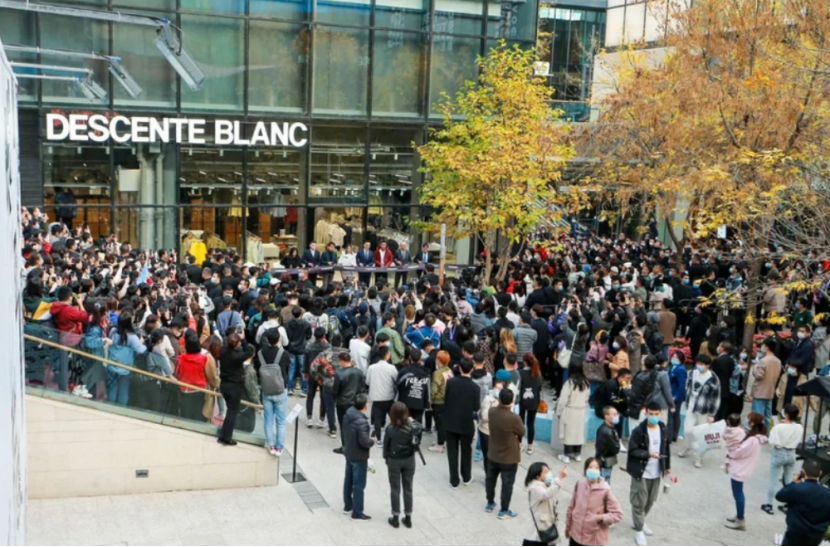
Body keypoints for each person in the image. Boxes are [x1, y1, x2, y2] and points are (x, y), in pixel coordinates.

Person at [627, 403, 671, 547]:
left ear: (660, 414)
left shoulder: (663, 428)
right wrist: (648, 454)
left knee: (650, 500)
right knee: (639, 501)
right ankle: (639, 531)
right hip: (641, 472)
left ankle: (640, 521)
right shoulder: (638, 431)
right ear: (646, 414)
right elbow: (632, 450)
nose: (653, 417)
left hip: (656, 472)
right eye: (651, 414)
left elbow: (666, 448)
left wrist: (667, 467)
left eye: (656, 414)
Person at [485, 388, 525, 519]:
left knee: (490, 479)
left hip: (493, 453)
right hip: (509, 457)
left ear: (499, 399)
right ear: (512, 401)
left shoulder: (492, 412)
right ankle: (504, 510)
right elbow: (522, 432)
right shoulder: (514, 418)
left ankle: (490, 503)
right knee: (507, 483)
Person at [724, 412, 768, 531]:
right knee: (738, 493)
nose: (748, 422)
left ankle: (740, 519)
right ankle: (739, 515)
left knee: (738, 494)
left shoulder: (752, 439)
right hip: (744, 466)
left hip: (740, 467)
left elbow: (740, 451)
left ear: (753, 423)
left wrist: (730, 454)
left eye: (750, 420)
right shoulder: (758, 437)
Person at [565, 458, 624, 546]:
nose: (593, 470)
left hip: (593, 540)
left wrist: (599, 518)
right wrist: (568, 527)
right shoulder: (579, 485)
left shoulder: (605, 490)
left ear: (600, 471)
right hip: (575, 537)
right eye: (590, 467)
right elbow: (571, 508)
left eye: (596, 468)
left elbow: (618, 514)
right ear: (585, 470)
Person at [383, 401, 422, 529]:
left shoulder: (390, 429)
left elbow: (386, 446)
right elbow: (420, 428)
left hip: (394, 460)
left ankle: (395, 517)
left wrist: (386, 458)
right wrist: (412, 420)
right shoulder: (412, 427)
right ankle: (408, 517)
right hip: (409, 459)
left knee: (395, 489)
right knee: (408, 488)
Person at [443, 358, 481, 488]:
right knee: (466, 450)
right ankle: (466, 476)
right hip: (466, 423)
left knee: (452, 452)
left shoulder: (451, 383)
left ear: (459, 368)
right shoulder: (475, 387)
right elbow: (476, 407)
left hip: (451, 421)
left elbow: (446, 400)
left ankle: (454, 480)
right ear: (472, 369)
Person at [678, 354, 721, 468]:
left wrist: (712, 414)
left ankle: (699, 457)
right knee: (687, 430)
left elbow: (715, 398)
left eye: (702, 364)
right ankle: (688, 446)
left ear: (708, 365)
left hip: (704, 410)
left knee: (701, 435)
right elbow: (687, 387)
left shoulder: (713, 379)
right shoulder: (692, 373)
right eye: (698, 363)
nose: (699, 366)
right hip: (691, 407)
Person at [775, 459, 830, 546]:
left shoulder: (797, 488)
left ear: (803, 472)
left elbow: (779, 496)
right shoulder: (827, 493)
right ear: (820, 473)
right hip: (816, 535)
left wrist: (793, 483)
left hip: (796, 532)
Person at [762, 404, 803, 515]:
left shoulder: (778, 427)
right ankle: (787, 505)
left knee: (773, 480)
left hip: (779, 453)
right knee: (789, 481)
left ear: (786, 414)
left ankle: (769, 505)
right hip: (791, 453)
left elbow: (771, 441)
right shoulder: (799, 427)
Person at [257, 329, 291, 457]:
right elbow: (288, 366)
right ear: (279, 339)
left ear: (266, 339)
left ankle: (270, 445)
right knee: (281, 422)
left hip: (266, 391)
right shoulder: (284, 353)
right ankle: (279, 447)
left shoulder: (260, 354)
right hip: (280, 390)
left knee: (268, 421)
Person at [217, 333, 254, 446]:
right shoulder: (237, 357)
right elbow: (249, 352)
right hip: (234, 387)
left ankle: (223, 434)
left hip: (224, 385)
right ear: (237, 344)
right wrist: (244, 339)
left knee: (230, 411)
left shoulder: (222, 351)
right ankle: (227, 437)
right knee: (232, 412)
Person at [342, 393, 375, 521]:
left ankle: (348, 505)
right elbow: (364, 442)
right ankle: (357, 511)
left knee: (348, 480)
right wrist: (372, 440)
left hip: (349, 451)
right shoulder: (362, 422)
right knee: (359, 484)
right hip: (359, 455)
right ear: (364, 407)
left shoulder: (347, 415)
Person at [523, 462, 566, 547]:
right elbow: (546, 494)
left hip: (546, 529)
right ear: (537, 476)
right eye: (546, 472)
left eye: (549, 470)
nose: (549, 473)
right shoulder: (534, 487)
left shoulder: (546, 485)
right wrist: (560, 478)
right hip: (537, 532)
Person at [332, 352, 366, 454]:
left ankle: (345, 446)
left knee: (343, 426)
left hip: (343, 403)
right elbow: (362, 387)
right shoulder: (359, 372)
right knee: (355, 424)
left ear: (341, 361)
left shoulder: (339, 374)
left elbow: (335, 390)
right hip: (356, 402)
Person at [557, 363, 591, 463]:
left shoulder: (569, 383)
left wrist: (559, 411)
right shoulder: (586, 383)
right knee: (578, 433)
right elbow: (587, 398)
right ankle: (577, 454)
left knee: (569, 433)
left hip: (570, 410)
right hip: (581, 411)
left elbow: (563, 399)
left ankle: (566, 455)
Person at [175, 331, 210, 422]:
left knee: (184, 412)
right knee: (197, 412)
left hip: (184, 388)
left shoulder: (180, 358)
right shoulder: (204, 359)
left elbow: (177, 373)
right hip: (199, 390)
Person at [366, 345, 398, 443]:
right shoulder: (392, 368)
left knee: (377, 418)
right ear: (387, 355)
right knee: (393, 417)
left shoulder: (371, 367)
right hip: (389, 396)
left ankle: (378, 438)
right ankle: (394, 437)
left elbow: (367, 382)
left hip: (376, 397)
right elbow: (396, 380)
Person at [751, 338, 782, 427]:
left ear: (767, 347)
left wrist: (754, 368)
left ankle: (758, 431)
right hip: (770, 391)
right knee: (768, 415)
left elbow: (759, 376)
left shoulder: (763, 361)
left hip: (760, 391)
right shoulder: (778, 361)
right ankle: (768, 431)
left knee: (758, 415)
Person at [428, 350, 453, 453]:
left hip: (438, 401)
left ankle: (440, 445)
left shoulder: (437, 373)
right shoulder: (449, 370)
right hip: (448, 400)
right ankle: (442, 440)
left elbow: (434, 389)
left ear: (438, 360)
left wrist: (430, 400)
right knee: (444, 423)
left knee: (439, 424)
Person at [518, 354, 543, 455]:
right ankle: (530, 446)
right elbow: (539, 387)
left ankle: (519, 444)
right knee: (531, 424)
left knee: (520, 423)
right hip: (534, 401)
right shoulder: (537, 373)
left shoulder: (520, 373)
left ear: (525, 362)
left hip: (522, 401)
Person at [595, 406, 621, 484]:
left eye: (617, 414)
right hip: (604, 462)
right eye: (614, 414)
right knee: (603, 483)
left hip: (606, 461)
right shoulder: (606, 432)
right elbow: (616, 448)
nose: (617, 416)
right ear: (606, 416)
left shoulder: (610, 428)